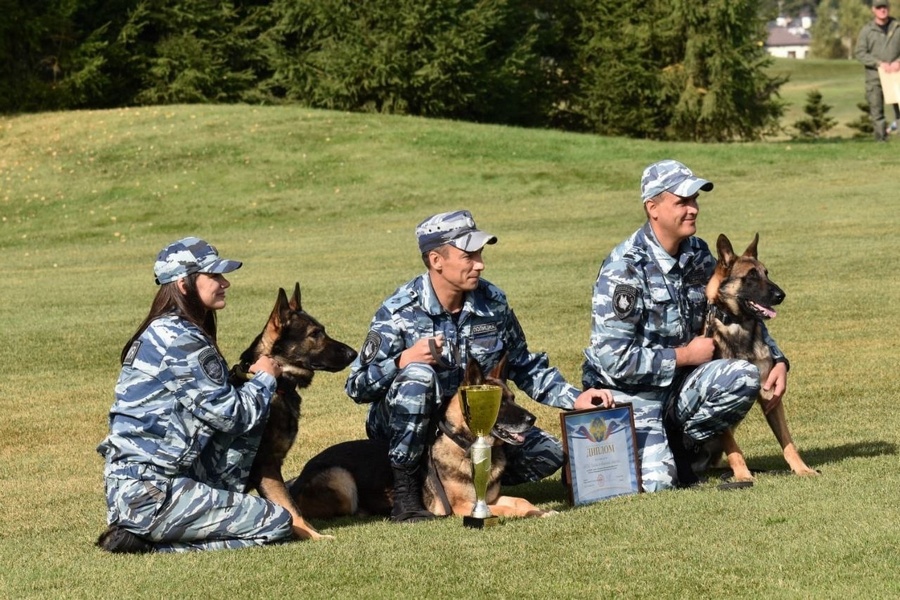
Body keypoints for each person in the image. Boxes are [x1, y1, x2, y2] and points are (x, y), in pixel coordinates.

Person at [345, 210, 612, 523]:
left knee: (548, 453)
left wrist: (575, 398)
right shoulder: (399, 311)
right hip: (410, 429)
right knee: (417, 376)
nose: (480, 264)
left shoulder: (492, 301)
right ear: (436, 260)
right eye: (468, 256)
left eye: (480, 254)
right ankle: (406, 494)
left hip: (475, 430)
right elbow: (357, 386)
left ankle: (473, 487)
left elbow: (524, 364)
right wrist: (401, 361)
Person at [581, 160, 789, 492]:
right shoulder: (625, 269)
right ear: (653, 208)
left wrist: (777, 360)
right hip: (632, 395)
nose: (693, 209)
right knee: (658, 484)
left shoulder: (697, 253)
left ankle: (684, 447)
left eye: (694, 200)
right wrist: (684, 356)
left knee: (743, 375)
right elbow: (614, 361)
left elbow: (735, 310)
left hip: (681, 389)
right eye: (682, 201)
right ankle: (629, 453)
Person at [96, 237, 293, 553]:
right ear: (183, 284)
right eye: (213, 276)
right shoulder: (180, 341)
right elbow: (234, 416)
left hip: (143, 488)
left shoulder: (170, 329)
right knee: (278, 523)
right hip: (153, 495)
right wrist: (265, 379)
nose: (224, 282)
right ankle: (148, 547)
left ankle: (159, 528)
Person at [855, 0, 900, 142]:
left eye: (884, 7)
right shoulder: (867, 30)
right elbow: (860, 53)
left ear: (889, 8)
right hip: (875, 77)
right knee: (876, 109)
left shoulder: (897, 27)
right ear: (873, 10)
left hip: (897, 75)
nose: (882, 10)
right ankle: (881, 139)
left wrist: (898, 61)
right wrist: (879, 64)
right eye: (879, 7)